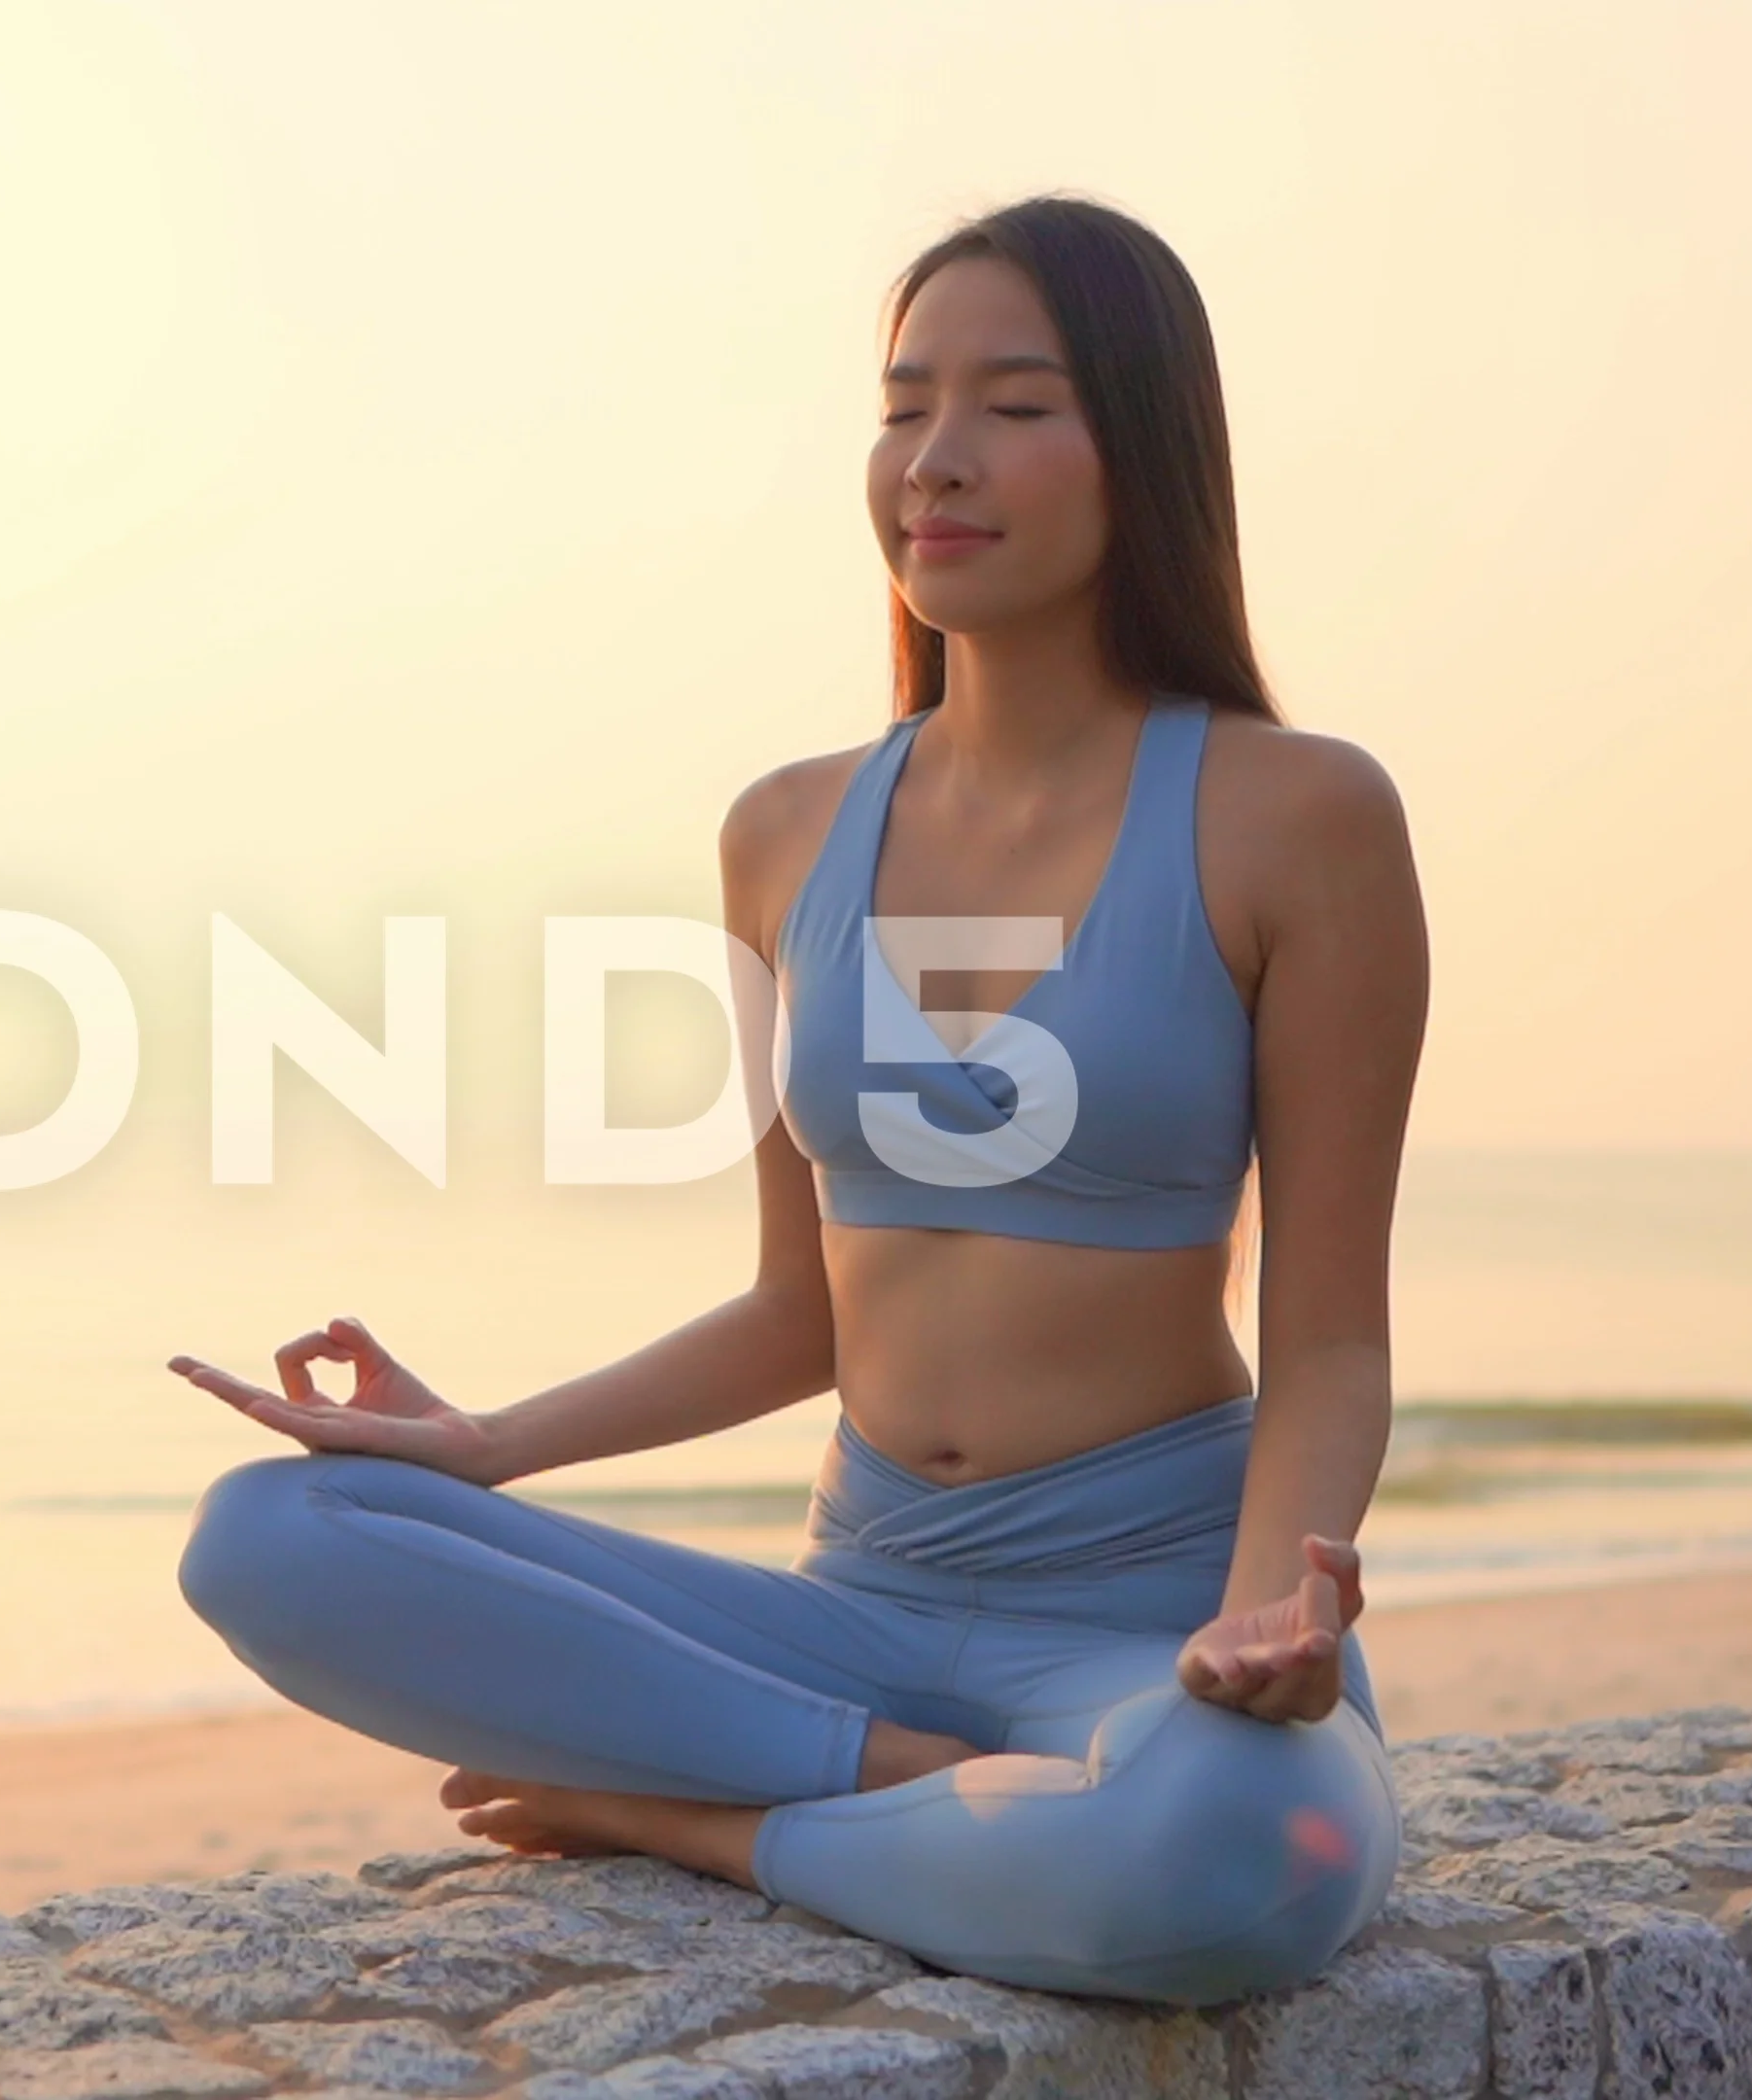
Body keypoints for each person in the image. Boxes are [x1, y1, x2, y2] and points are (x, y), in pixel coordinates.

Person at [161, 193, 1430, 2009]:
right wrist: (484, 1447)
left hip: (1149, 1618)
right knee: (272, 1537)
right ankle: (941, 1799)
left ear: (1141, 444)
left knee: (1249, 1853)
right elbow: (798, 1309)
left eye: (1013, 403)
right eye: (905, 403)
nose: (938, 459)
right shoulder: (787, 832)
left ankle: (700, 1821)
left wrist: (1267, 1609)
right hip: (850, 1607)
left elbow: (1326, 1342)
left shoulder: (1295, 817)